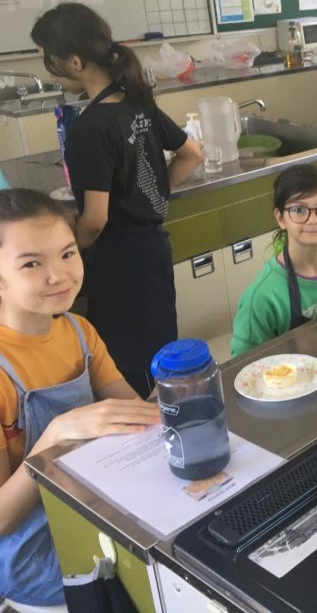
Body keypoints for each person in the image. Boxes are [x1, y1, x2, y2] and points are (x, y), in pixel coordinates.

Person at [30, 4, 203, 398]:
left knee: (123, 365)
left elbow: (94, 219)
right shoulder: (137, 103)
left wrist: (68, 250)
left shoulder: (89, 128)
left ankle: (142, 435)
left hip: (119, 262)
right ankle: (166, 419)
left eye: (48, 57)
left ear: (74, 61)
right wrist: (155, 194)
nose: (48, 68)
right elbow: (192, 153)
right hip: (153, 250)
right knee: (159, 354)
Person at [0, 189, 160, 610]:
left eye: (68, 254)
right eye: (32, 263)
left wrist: (171, 397)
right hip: (40, 558)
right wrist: (53, 438)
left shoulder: (78, 332)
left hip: (97, 517)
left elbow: (134, 418)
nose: (60, 275)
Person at [231, 165, 317, 357]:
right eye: (299, 209)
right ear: (281, 218)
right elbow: (245, 368)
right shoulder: (262, 298)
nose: (313, 220)